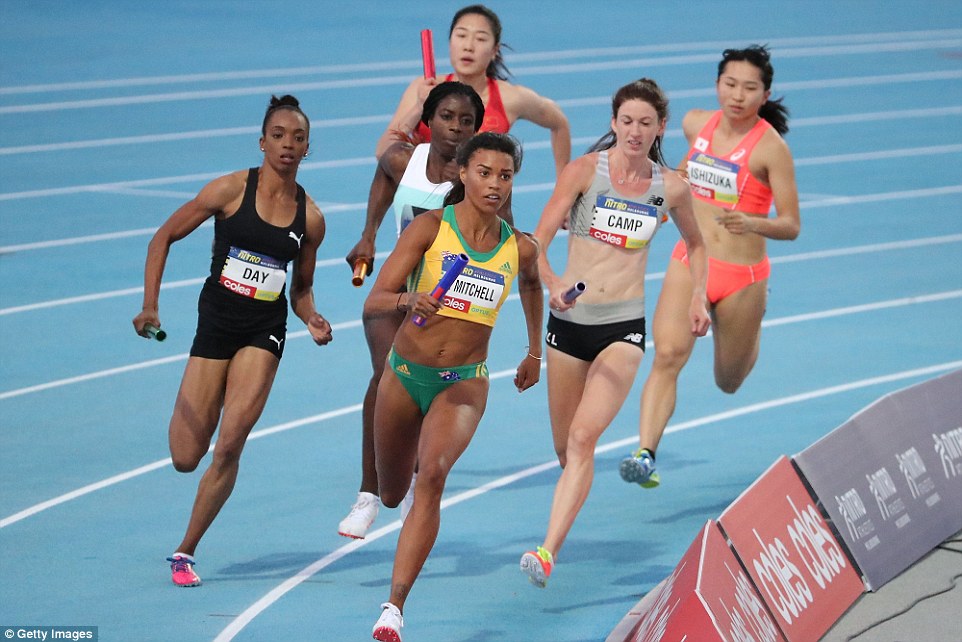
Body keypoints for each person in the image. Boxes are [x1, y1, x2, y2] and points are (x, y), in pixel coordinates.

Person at [132, 95, 333, 587]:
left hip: (263, 332)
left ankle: (185, 551)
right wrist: (150, 305)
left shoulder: (311, 218)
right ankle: (210, 389)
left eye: (298, 137)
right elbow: (162, 238)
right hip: (215, 327)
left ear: (308, 149)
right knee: (185, 457)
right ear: (262, 142)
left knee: (230, 444)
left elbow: (301, 289)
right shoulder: (228, 190)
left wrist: (312, 319)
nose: (288, 144)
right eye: (279, 135)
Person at [519, 79, 710, 589]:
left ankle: (546, 552)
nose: (635, 130)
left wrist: (697, 294)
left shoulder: (670, 188)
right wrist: (555, 285)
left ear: (660, 128)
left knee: (584, 439)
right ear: (613, 122)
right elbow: (535, 242)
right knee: (566, 450)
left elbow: (697, 244)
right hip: (568, 327)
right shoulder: (583, 172)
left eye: (646, 122)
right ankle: (568, 503)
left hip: (622, 328)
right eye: (626, 120)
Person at [369, 132, 542, 640]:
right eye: (484, 172)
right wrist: (409, 302)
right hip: (404, 375)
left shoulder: (519, 246)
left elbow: (533, 285)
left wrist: (534, 351)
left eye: (504, 176)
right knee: (391, 490)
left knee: (434, 476)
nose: (494, 184)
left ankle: (393, 608)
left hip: (464, 382)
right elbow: (376, 297)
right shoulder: (429, 229)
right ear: (462, 174)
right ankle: (401, 498)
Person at [620, 45, 800, 490]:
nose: (737, 95)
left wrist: (754, 222)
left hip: (742, 278)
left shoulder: (771, 149)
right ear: (718, 85)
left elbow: (792, 225)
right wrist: (661, 203)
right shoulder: (697, 123)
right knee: (666, 355)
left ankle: (752, 323)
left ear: (765, 93)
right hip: (691, 261)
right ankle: (645, 453)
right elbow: (687, 171)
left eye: (749, 88)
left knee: (728, 381)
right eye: (730, 84)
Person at [338, 82, 485, 540]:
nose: (455, 128)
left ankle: (418, 483)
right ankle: (367, 494)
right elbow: (383, 173)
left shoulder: (476, 181)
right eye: (446, 117)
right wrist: (369, 234)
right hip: (399, 291)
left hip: (447, 303)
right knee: (385, 378)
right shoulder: (407, 160)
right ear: (429, 119)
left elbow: (498, 234)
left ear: (477, 129)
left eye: (466, 121)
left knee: (423, 387)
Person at [374, 4, 571, 195]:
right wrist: (420, 106)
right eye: (461, 36)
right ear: (450, 42)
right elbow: (382, 152)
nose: (468, 46)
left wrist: (564, 191)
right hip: (424, 212)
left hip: (478, 213)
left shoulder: (510, 98)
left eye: (480, 39)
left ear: (494, 50)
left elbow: (559, 123)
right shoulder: (423, 88)